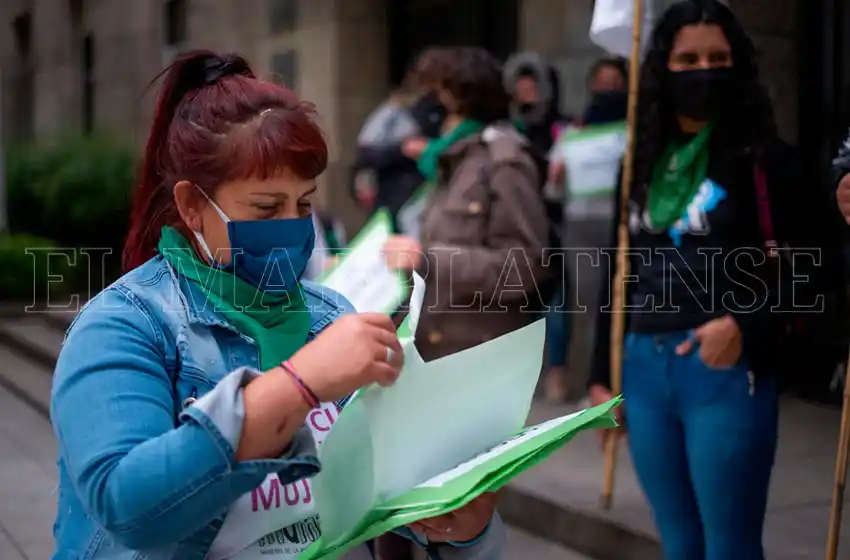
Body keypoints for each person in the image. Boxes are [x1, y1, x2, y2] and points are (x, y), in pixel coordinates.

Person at [49, 50, 504, 560]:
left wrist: (460, 524)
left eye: (304, 204)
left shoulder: (333, 316)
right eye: (266, 208)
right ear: (193, 207)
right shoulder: (126, 325)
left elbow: (390, 493)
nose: (292, 225)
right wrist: (298, 386)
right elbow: (128, 506)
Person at [587, 2, 843, 559]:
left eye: (717, 57)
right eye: (688, 58)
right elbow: (615, 267)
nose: (704, 70)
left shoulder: (766, 161)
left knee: (729, 547)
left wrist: (745, 325)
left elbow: (820, 266)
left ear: (739, 65)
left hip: (724, 373)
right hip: (642, 369)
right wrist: (601, 377)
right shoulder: (640, 160)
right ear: (662, 67)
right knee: (679, 544)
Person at [383, 46, 549, 362]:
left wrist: (428, 260)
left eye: (440, 99)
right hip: (434, 348)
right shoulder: (454, 161)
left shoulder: (504, 160)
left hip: (480, 357)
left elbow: (525, 265)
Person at [543, 57, 630, 402]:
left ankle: (627, 383)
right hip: (581, 231)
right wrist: (555, 181)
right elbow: (552, 193)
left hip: (622, 227)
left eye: (615, 81)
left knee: (629, 304)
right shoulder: (571, 133)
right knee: (593, 309)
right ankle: (598, 385)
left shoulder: (634, 127)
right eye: (602, 80)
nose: (608, 87)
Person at [351, 49, 447, 233]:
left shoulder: (445, 111)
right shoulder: (396, 109)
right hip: (395, 195)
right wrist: (402, 149)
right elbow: (366, 152)